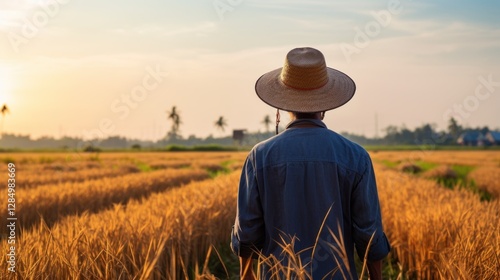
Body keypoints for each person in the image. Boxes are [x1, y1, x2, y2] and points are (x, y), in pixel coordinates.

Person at [230, 47, 390, 279]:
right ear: (325, 104)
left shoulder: (259, 156)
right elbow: (369, 233)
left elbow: (247, 230)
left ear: (283, 104)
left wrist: (247, 275)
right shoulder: (356, 156)